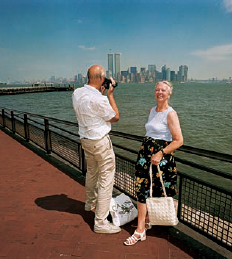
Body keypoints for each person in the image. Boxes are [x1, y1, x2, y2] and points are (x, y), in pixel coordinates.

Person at [124, 81, 183, 245]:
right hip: (145, 156)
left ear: (169, 93)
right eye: (157, 89)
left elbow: (179, 140)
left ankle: (147, 223)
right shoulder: (152, 110)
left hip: (160, 159)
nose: (159, 92)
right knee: (141, 189)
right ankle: (141, 228)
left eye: (163, 90)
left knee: (157, 189)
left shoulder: (171, 114)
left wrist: (160, 152)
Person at [72, 64, 121, 234]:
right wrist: (110, 94)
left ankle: (89, 203)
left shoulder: (77, 93)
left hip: (85, 140)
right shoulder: (100, 99)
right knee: (106, 179)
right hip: (100, 142)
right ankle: (100, 222)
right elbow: (115, 117)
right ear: (102, 79)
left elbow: (92, 106)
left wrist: (100, 92)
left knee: (92, 173)